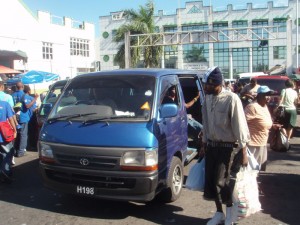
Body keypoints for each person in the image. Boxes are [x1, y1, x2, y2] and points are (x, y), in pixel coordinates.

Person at [201, 66, 250, 225]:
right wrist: (204, 143)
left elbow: (240, 126)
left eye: (209, 85)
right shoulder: (207, 98)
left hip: (228, 148)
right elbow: (206, 122)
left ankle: (230, 214)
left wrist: (243, 151)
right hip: (211, 146)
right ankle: (219, 213)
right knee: (210, 182)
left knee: (223, 182)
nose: (205, 87)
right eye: (205, 84)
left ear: (218, 84)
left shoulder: (231, 98)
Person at [244, 86, 277, 171]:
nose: (269, 97)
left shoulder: (265, 106)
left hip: (262, 142)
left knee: (257, 169)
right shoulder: (252, 107)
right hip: (253, 143)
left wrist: (273, 125)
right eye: (266, 95)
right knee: (250, 169)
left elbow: (263, 120)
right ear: (259, 96)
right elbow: (243, 123)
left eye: (269, 95)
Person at [15, 85, 39, 157]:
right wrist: (35, 98)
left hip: (20, 117)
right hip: (23, 118)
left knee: (20, 134)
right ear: (29, 91)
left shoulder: (21, 95)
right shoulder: (25, 96)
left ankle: (18, 150)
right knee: (23, 135)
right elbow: (28, 106)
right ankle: (21, 152)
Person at [0, 100, 17, 183]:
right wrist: (15, 130)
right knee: (8, 153)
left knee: (3, 153)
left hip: (2, 135)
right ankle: (5, 174)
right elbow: (10, 118)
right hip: (3, 135)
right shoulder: (4, 104)